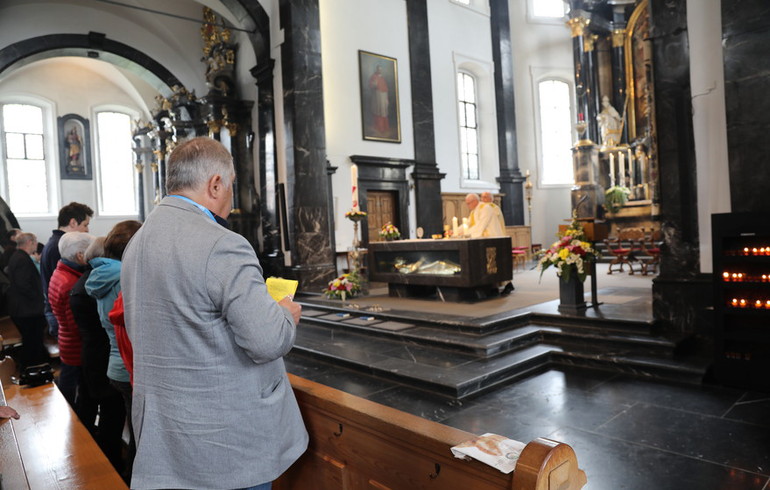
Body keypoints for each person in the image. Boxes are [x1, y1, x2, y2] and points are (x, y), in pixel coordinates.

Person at [121, 137, 308, 489]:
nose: (231, 198)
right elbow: (266, 341)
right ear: (215, 184)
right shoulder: (222, 243)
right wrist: (283, 314)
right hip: (223, 446)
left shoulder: (138, 242)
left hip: (165, 436)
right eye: (231, 187)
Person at [85, 220, 141, 480]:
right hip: (129, 367)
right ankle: (132, 480)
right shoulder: (124, 277)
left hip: (115, 364)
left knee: (134, 430)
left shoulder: (101, 274)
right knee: (142, 438)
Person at [70, 237, 126, 476]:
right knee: (112, 416)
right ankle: (110, 468)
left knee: (108, 413)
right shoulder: (111, 280)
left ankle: (107, 460)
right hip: (104, 353)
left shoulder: (87, 281)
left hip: (94, 352)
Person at [48, 232, 95, 416]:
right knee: (74, 393)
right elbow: (76, 325)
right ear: (80, 256)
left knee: (69, 384)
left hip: (66, 340)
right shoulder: (71, 283)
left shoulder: (60, 272)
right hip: (75, 347)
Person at [40, 202, 94, 338]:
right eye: (85, 225)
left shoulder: (55, 242)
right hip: (63, 315)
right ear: (73, 222)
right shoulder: (60, 246)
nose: (87, 230)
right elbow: (65, 290)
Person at [6, 232, 49, 369]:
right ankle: (32, 370)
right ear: (30, 242)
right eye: (35, 242)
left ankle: (33, 367)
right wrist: (38, 298)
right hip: (27, 310)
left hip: (24, 308)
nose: (36, 245)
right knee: (32, 343)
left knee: (32, 342)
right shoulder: (22, 259)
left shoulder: (18, 256)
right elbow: (23, 285)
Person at [466, 193, 514, 295]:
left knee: (494, 264)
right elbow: (468, 225)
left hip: (493, 239)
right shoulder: (474, 211)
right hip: (483, 240)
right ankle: (493, 286)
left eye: (469, 203)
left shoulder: (486, 208)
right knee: (488, 265)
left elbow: (481, 226)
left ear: (475, 201)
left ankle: (506, 285)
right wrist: (457, 231)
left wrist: (466, 234)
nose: (467, 205)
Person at [369, 64, 390, 135]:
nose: (380, 70)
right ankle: (379, 127)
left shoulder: (382, 78)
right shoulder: (373, 76)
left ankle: (384, 127)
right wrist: (374, 84)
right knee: (378, 110)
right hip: (377, 97)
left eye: (381, 69)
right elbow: (372, 86)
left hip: (383, 97)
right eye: (378, 69)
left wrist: (386, 99)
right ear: (376, 69)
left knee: (383, 110)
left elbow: (385, 89)